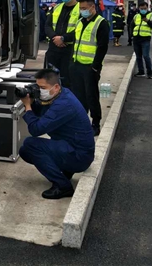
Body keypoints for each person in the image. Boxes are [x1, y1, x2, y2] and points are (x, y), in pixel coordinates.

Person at [18, 68, 95, 199]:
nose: (40, 90)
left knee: (30, 144)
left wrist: (28, 107)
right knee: (24, 151)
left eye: (42, 87)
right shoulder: (60, 94)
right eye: (38, 86)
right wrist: (32, 99)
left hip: (79, 156)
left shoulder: (64, 104)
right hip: (71, 147)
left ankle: (63, 186)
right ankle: (66, 171)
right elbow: (43, 112)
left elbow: (36, 130)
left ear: (56, 87)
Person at [65, 0, 110, 137]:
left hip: (90, 67)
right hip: (76, 65)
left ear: (92, 7)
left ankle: (95, 123)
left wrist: (95, 67)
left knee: (91, 96)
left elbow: (102, 47)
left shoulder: (101, 23)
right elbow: (73, 38)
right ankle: (81, 121)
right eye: (80, 8)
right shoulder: (80, 21)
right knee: (79, 96)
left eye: (84, 8)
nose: (82, 10)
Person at [44, 0, 80, 88]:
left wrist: (64, 38)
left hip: (69, 50)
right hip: (53, 49)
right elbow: (47, 26)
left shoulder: (80, 9)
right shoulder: (56, 8)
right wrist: (55, 38)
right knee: (50, 78)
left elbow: (80, 30)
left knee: (67, 80)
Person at [132, 1, 152, 79]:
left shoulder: (151, 15)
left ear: (147, 8)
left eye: (144, 8)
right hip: (136, 38)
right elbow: (131, 25)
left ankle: (149, 73)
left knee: (146, 56)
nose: (143, 10)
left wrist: (148, 21)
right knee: (138, 56)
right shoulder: (136, 16)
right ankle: (141, 72)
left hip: (145, 39)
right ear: (139, 8)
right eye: (141, 8)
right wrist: (131, 35)